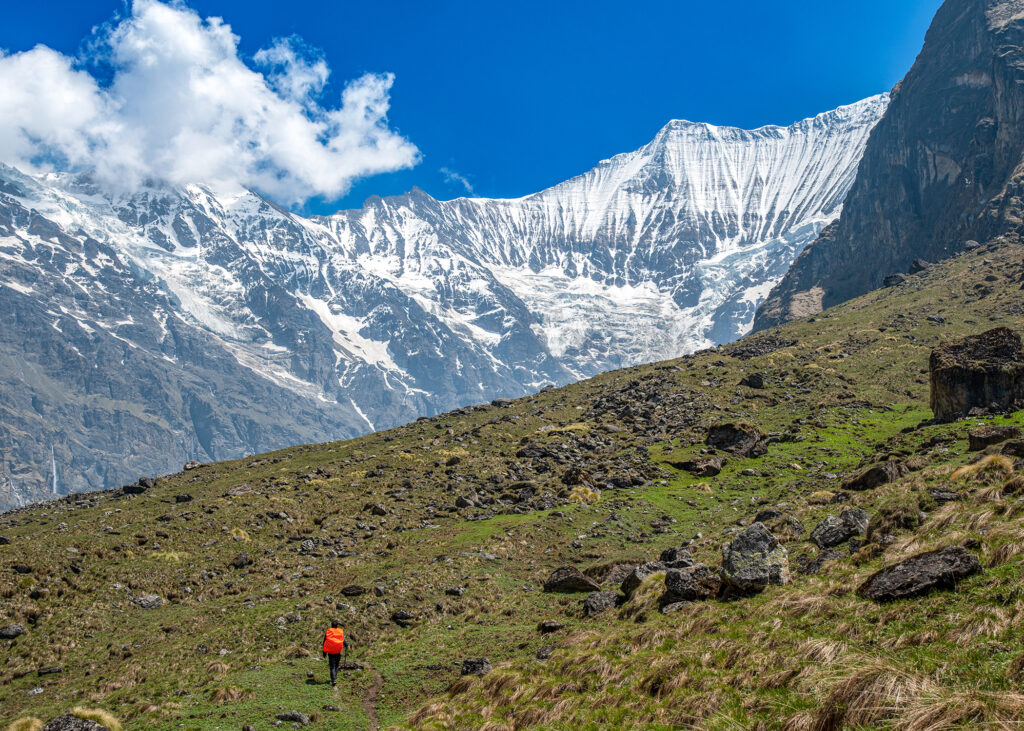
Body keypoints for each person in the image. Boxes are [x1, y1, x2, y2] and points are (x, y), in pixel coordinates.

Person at [322, 620, 345, 687]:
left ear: (331, 625)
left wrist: (324, 652)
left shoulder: (329, 632)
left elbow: (325, 642)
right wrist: (346, 645)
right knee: (337, 665)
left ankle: (333, 680)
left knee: (332, 666)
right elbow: (342, 640)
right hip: (338, 651)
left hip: (331, 652)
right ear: (337, 626)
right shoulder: (339, 631)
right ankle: (335, 678)